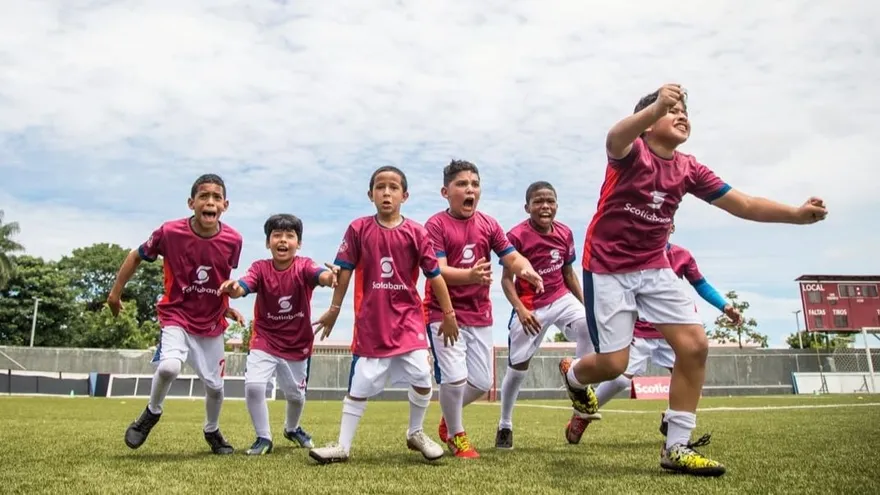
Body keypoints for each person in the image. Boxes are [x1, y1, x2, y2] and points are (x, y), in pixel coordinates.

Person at [560, 84, 828, 477]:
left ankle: (677, 447)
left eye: (685, 110)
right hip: (607, 267)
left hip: (654, 266)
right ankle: (573, 374)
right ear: (649, 124)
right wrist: (655, 107)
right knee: (615, 365)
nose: (682, 114)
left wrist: (797, 214)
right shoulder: (631, 152)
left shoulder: (689, 168)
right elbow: (614, 137)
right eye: (673, 110)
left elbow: (746, 204)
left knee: (695, 345)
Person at [308, 165, 458, 465]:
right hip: (372, 324)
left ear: (405, 195)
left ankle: (415, 432)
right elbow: (345, 272)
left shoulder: (417, 232)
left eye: (393, 187)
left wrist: (449, 311)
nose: (386, 193)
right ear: (370, 194)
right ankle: (342, 446)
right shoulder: (358, 229)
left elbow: (435, 275)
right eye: (380, 187)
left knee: (422, 376)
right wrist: (334, 310)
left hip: (408, 321)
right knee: (360, 386)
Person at [568, 223, 742, 445]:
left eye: (666, 224)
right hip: (640, 331)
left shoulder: (682, 255)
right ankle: (582, 414)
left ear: (671, 228)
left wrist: (725, 306)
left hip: (673, 333)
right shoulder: (633, 255)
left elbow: (701, 284)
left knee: (691, 382)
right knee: (619, 380)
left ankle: (673, 424)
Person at [108, 173, 244, 455]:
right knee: (169, 367)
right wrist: (115, 294)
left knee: (216, 388)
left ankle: (212, 431)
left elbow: (217, 280)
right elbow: (135, 256)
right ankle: (151, 413)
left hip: (211, 324)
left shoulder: (234, 240)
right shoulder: (169, 232)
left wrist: (226, 306)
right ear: (191, 202)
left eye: (216, 197)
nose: (210, 202)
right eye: (204, 196)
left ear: (225, 205)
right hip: (176, 316)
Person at [424, 159, 544, 459]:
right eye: (462, 184)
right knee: (453, 377)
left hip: (480, 313)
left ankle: (448, 419)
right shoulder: (436, 225)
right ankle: (456, 434)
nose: (470, 190)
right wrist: (470, 276)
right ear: (445, 191)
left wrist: (526, 269)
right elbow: (436, 270)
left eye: (475, 184)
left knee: (481, 381)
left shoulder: (489, 224)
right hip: (444, 313)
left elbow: (511, 256)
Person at [219, 213, 340, 455]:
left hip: (297, 344)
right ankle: (263, 437)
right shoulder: (260, 268)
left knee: (296, 396)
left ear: (299, 243)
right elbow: (243, 285)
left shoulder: (303, 265)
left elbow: (321, 275)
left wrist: (330, 277)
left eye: (289, 236)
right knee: (254, 387)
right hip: (265, 339)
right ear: (268, 242)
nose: (283, 240)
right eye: (277, 235)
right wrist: (234, 289)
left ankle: (292, 428)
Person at [495, 181, 596, 450]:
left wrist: (587, 305)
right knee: (517, 369)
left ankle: (576, 379)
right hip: (531, 306)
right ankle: (505, 424)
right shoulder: (515, 236)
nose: (545, 206)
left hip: (560, 297)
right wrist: (521, 309)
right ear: (527, 207)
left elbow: (568, 273)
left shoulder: (564, 233)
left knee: (590, 325)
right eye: (538, 201)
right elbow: (506, 280)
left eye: (550, 201)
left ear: (557, 205)